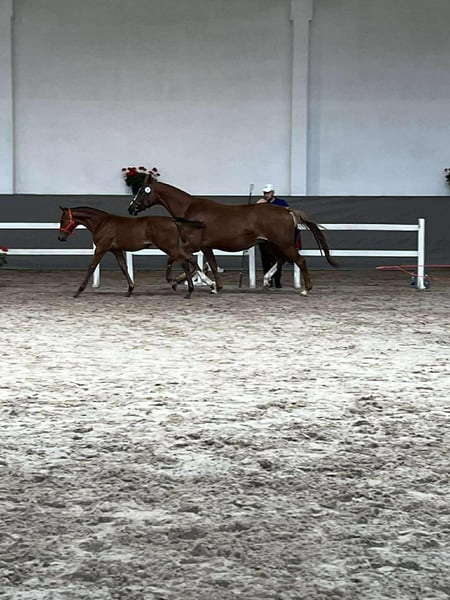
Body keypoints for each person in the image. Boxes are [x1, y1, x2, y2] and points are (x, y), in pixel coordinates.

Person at [256, 184, 290, 288]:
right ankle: (268, 282)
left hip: (276, 237)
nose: (266, 195)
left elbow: (287, 211)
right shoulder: (261, 203)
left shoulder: (281, 203)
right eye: (265, 193)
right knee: (265, 260)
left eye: (268, 193)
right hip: (264, 237)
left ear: (273, 193)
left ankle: (277, 281)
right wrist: (257, 206)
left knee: (277, 259)